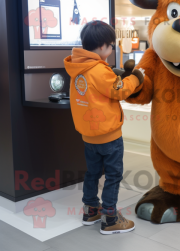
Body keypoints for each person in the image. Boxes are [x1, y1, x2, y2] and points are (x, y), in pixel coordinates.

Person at [64, 20, 145, 235]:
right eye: (111, 46)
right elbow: (118, 91)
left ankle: (91, 210)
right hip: (109, 136)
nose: (111, 50)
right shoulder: (98, 69)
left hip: (88, 137)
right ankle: (110, 218)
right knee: (113, 175)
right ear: (102, 46)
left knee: (92, 173)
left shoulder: (77, 69)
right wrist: (136, 78)